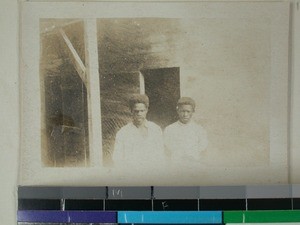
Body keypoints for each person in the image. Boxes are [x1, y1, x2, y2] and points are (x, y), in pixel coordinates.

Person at [113, 94, 164, 169]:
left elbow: (161, 156)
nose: (139, 114)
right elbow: (117, 159)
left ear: (146, 110)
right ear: (131, 111)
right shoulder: (123, 133)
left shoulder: (155, 129)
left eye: (142, 111)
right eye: (136, 111)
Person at [164, 97, 208, 165]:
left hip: (194, 167)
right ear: (178, 111)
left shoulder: (199, 130)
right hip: (176, 167)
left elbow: (203, 151)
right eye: (182, 111)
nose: (185, 115)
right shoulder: (169, 129)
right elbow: (167, 152)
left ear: (193, 111)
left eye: (188, 111)